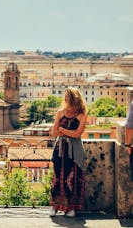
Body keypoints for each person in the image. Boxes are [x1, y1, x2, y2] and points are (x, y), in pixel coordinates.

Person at [49, 87, 87, 218]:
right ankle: (55, 207)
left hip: (74, 151)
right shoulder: (60, 112)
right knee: (58, 178)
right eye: (65, 96)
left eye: (67, 97)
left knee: (73, 178)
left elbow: (77, 134)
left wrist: (62, 130)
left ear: (74, 99)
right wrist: (65, 131)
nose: (65, 99)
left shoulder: (82, 115)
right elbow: (53, 133)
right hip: (60, 150)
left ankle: (71, 208)